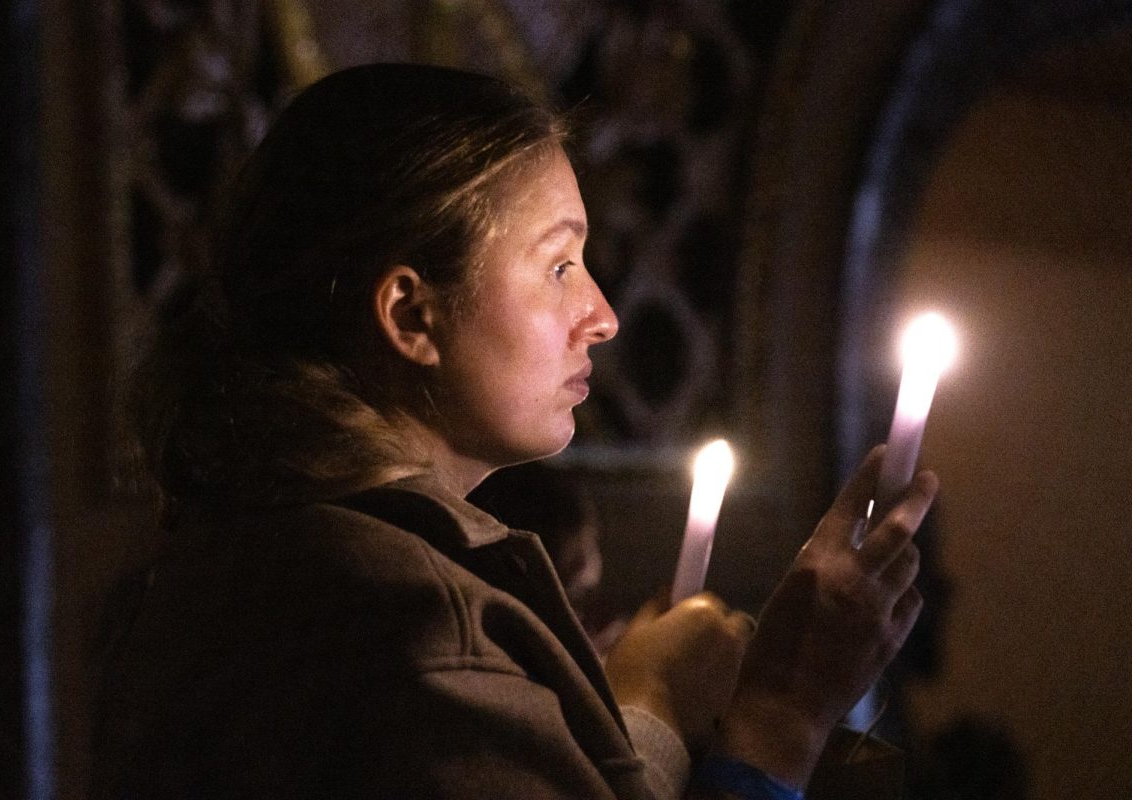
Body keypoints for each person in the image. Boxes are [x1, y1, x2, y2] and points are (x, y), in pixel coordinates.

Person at [92, 63, 938, 800]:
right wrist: (779, 723)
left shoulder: (221, 565)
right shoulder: (418, 631)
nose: (602, 316)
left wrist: (642, 708)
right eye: (560, 264)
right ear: (412, 314)